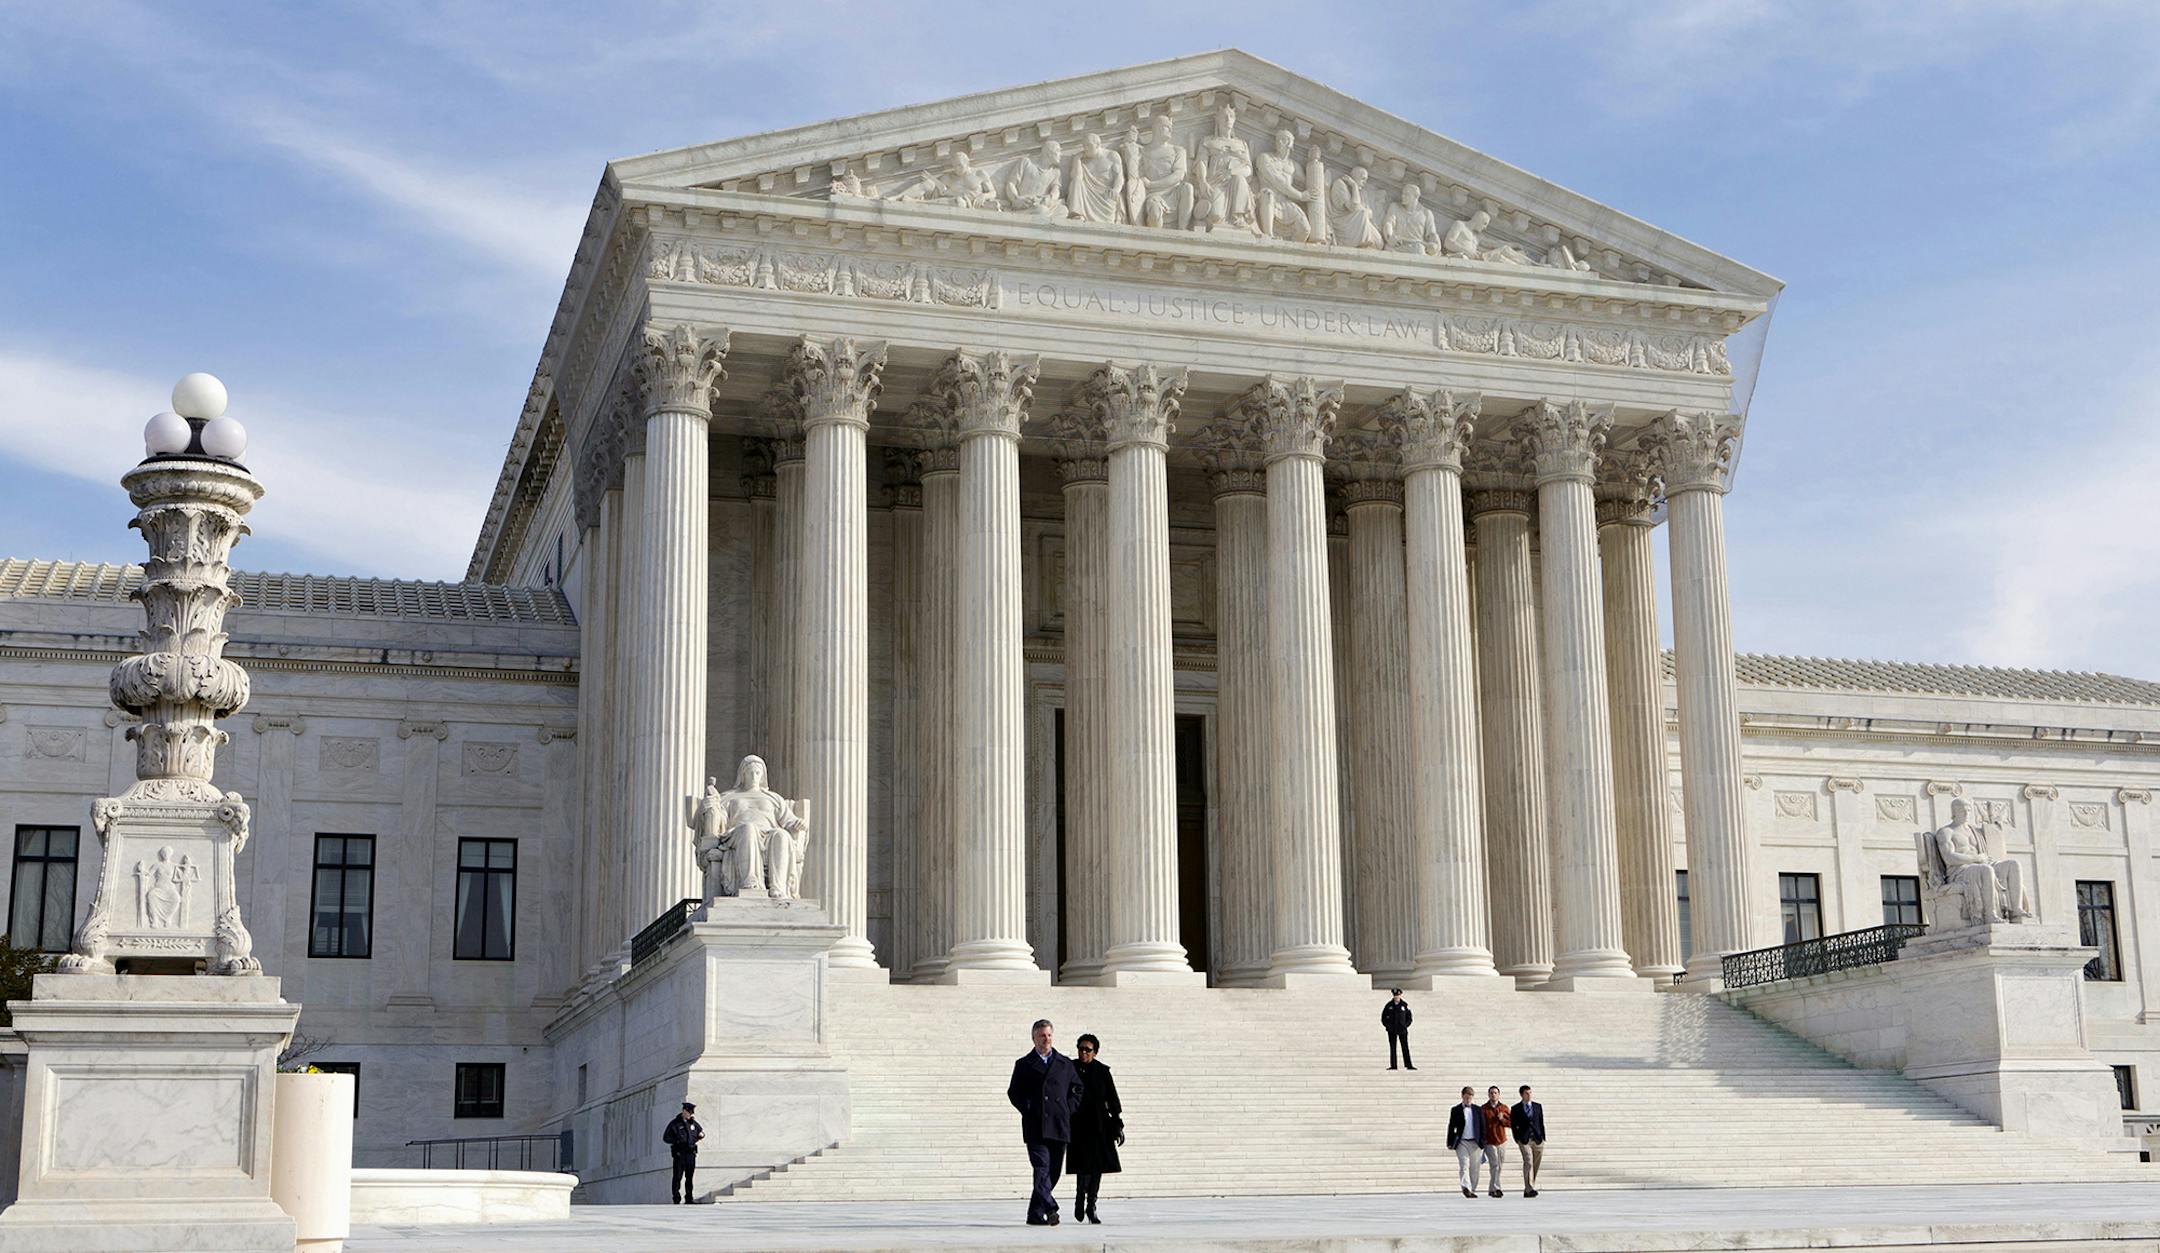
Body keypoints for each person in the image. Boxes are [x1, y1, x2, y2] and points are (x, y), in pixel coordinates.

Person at [1006, 1017, 1084, 1226]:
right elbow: (1014, 1092)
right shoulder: (1024, 1064)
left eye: (1049, 1035)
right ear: (1033, 1038)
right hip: (1036, 1126)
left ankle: (1034, 1214)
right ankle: (1050, 1208)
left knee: (1053, 1173)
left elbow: (1077, 1088)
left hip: (1059, 1124)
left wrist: (1067, 1109)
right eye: (1042, 1036)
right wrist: (1029, 1109)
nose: (1046, 1039)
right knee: (1041, 1168)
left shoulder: (1064, 1063)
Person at [1067, 1033, 1123, 1224]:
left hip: (1099, 1126)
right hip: (1078, 1125)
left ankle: (1091, 1205)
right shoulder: (1071, 1068)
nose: (1083, 1052)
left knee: (1097, 1167)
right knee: (1082, 1166)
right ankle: (1079, 1199)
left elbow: (1112, 1099)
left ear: (1095, 1052)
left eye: (1088, 1050)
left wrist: (1117, 1124)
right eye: (1081, 1049)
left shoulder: (1102, 1071)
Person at [1445, 1086, 1485, 1198]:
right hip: (1462, 1142)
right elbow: (1451, 1126)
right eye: (1466, 1097)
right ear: (1462, 1096)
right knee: (1464, 1165)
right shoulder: (1456, 1109)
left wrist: (1483, 1141)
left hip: (1475, 1142)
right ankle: (1466, 1187)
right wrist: (1450, 1141)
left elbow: (1483, 1126)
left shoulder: (1478, 1110)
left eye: (1470, 1098)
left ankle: (1472, 1188)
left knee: (1475, 1168)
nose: (1468, 1100)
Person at [661, 1101, 704, 1204]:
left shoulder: (693, 1123)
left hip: (690, 1154)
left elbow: (701, 1132)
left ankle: (689, 1198)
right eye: (688, 1112)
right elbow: (666, 1138)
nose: (690, 1115)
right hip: (680, 1154)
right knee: (677, 1177)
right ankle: (676, 1198)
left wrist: (700, 1136)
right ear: (684, 1111)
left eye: (691, 1113)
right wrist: (677, 1141)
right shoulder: (675, 1123)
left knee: (689, 1177)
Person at [1511, 1084, 1546, 1197]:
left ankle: (1529, 1187)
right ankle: (1529, 1188)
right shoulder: (1516, 1108)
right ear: (1521, 1095)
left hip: (1537, 1139)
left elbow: (1540, 1122)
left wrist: (1543, 1137)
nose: (1529, 1095)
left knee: (1535, 1164)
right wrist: (1517, 1138)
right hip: (1524, 1140)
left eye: (1530, 1092)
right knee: (1528, 1162)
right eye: (1526, 1093)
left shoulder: (1537, 1106)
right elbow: (1513, 1125)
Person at [1479, 1085, 1512, 1197]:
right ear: (1488, 1095)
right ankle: (1497, 1188)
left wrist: (1502, 1119)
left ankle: (1491, 1189)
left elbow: (1511, 1123)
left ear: (1499, 1095)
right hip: (1489, 1141)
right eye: (1491, 1093)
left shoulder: (1504, 1108)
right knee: (1495, 1165)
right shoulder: (1483, 1109)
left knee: (1499, 1165)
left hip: (1501, 1140)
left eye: (1495, 1093)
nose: (1493, 1095)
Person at [1381, 989, 1415, 1070]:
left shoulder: (1405, 1005)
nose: (1396, 997)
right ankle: (1393, 1065)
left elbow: (1409, 1017)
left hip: (1402, 1029)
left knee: (1405, 1047)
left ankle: (1408, 1065)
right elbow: (1383, 1017)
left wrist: (1405, 1025)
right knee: (1393, 1047)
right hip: (1392, 1030)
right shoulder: (1389, 1005)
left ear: (1400, 995)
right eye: (1395, 995)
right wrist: (1388, 1026)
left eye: (1398, 995)